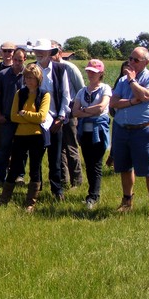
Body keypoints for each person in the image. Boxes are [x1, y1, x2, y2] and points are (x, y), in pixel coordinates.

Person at [110, 47, 149, 219]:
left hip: (142, 130)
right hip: (121, 129)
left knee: (148, 170)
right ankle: (127, 201)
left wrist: (133, 82)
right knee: (124, 167)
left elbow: (146, 95)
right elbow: (113, 102)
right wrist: (133, 101)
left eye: (135, 60)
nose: (131, 62)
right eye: (130, 58)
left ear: (146, 62)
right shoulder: (122, 80)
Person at [0, 64, 50, 213]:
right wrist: (29, 117)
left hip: (37, 137)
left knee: (35, 168)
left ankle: (30, 203)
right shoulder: (19, 93)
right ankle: (4, 200)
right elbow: (14, 116)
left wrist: (24, 114)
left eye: (31, 77)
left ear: (38, 79)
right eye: (26, 77)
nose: (28, 80)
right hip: (20, 136)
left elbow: (42, 117)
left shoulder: (45, 95)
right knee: (15, 167)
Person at [32, 38, 71, 201]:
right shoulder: (31, 69)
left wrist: (61, 117)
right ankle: (35, 188)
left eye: (42, 51)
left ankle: (57, 189)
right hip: (36, 121)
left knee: (55, 158)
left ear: (50, 53)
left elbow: (66, 95)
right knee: (36, 157)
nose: (39, 54)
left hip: (55, 120)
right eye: (37, 51)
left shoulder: (61, 69)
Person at [72, 59, 111, 209]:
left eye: (94, 72)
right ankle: (91, 194)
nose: (90, 74)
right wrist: (88, 112)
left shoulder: (105, 89)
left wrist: (83, 111)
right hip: (84, 131)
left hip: (98, 131)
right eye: (88, 71)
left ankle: (94, 196)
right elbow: (74, 111)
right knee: (88, 163)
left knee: (96, 163)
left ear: (101, 73)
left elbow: (101, 108)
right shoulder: (82, 91)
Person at [52, 41, 85, 189]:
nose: (51, 55)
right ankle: (63, 180)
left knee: (71, 146)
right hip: (55, 114)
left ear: (60, 52)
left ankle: (77, 181)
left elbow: (80, 89)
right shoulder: (49, 68)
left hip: (70, 112)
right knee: (59, 149)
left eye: (54, 51)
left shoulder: (69, 68)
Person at [0, 48, 27, 184]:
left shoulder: (28, 74)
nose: (17, 62)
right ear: (12, 59)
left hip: (23, 119)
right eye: (15, 60)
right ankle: (0, 176)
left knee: (22, 149)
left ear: (25, 59)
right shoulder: (3, 74)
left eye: (20, 60)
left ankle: (20, 175)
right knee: (4, 148)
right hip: (6, 118)